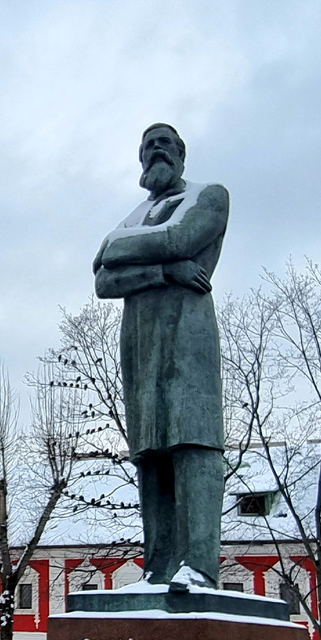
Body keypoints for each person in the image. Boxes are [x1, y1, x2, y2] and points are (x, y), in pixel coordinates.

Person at [93, 123, 229, 588]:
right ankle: (158, 568)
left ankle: (199, 567)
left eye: (164, 144)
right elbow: (103, 281)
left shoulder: (209, 196)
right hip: (140, 347)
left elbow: (181, 239)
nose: (156, 151)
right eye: (148, 146)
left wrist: (117, 248)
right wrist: (165, 270)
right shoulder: (134, 216)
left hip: (187, 341)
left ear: (181, 154)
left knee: (193, 443)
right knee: (150, 454)